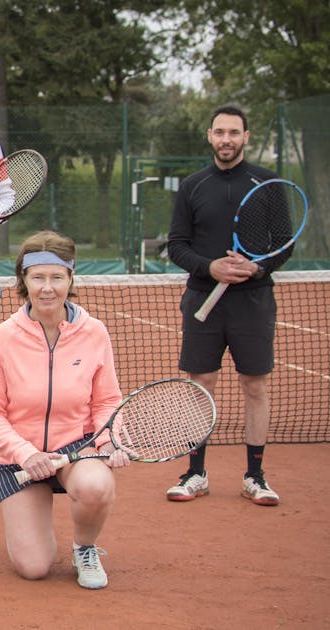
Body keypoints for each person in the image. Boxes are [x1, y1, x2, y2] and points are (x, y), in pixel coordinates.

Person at [0, 231, 128, 589]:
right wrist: (26, 454)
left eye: (57, 277)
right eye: (38, 277)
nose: (47, 288)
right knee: (34, 567)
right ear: (23, 280)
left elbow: (106, 400)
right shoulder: (2, 337)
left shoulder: (94, 333)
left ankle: (84, 547)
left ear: (71, 278)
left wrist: (109, 441)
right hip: (20, 461)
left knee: (95, 485)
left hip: (78, 448)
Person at [164, 104, 286, 506]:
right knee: (201, 387)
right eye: (220, 132)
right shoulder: (193, 186)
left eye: (234, 133)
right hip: (203, 299)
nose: (227, 140)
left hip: (252, 301)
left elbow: (284, 244)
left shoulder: (268, 183)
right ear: (210, 136)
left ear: (246, 137)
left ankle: (255, 475)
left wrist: (256, 268)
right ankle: (195, 472)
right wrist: (210, 266)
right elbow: (177, 246)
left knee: (255, 386)